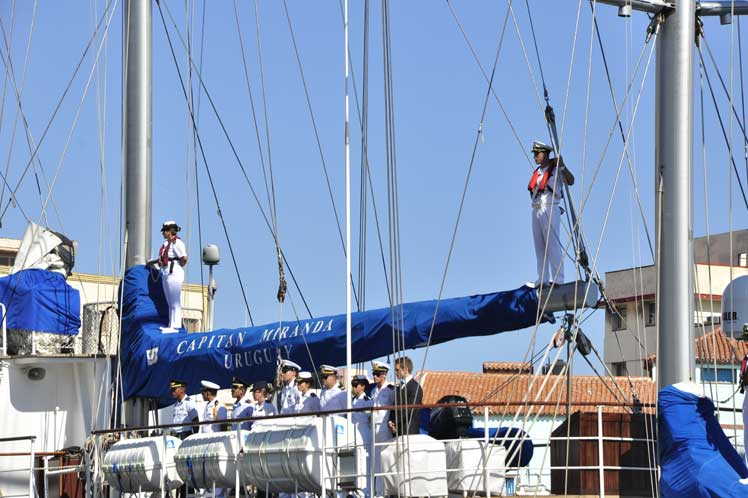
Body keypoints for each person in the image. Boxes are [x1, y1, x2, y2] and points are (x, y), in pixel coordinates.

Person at [527, 141, 574, 286]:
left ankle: (558, 279)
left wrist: (563, 166)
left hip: (550, 207)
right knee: (539, 246)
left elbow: (571, 181)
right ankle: (542, 279)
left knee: (552, 244)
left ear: (546, 154)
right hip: (536, 209)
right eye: (534, 154)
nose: (535, 157)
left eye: (537, 154)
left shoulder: (555, 169)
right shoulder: (538, 172)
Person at [368, 361, 395, 496]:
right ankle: (378, 491)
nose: (375, 377)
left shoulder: (390, 390)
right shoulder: (374, 391)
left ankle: (385, 491)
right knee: (375, 460)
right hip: (374, 428)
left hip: (385, 428)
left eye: (377, 374)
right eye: (374, 374)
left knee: (385, 459)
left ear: (384, 375)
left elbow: (394, 409)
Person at [158, 220, 188, 331]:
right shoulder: (165, 244)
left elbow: (184, 258)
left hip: (174, 271)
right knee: (170, 301)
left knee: (175, 300)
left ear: (170, 231)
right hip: (166, 272)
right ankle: (171, 324)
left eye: (165, 231)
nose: (163, 233)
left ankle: (176, 325)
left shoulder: (177, 243)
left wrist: (177, 265)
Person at [386, 356, 423, 436]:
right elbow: (394, 406)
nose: (395, 373)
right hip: (397, 432)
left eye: (397, 370)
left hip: (409, 432)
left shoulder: (415, 388)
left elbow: (409, 409)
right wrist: (390, 421)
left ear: (405, 369)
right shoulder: (400, 387)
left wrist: (395, 421)